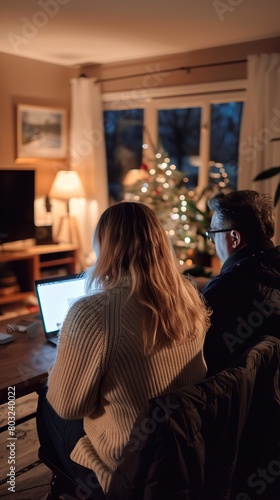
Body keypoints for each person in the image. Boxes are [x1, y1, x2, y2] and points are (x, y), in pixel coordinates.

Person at [37, 201, 211, 497]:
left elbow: (69, 407)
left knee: (46, 398)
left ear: (105, 247)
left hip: (124, 465)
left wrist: (61, 367)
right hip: (180, 447)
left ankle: (65, 486)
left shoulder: (91, 312)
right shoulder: (189, 296)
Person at [202, 190, 280, 375]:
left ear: (235, 238)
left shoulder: (224, 290)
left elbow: (200, 359)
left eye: (213, 234)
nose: (212, 242)